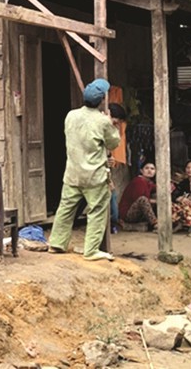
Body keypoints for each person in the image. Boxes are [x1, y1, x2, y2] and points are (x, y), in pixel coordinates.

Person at [48, 78, 121, 261]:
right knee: (96, 211)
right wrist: (110, 123)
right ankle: (91, 250)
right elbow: (114, 142)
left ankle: (56, 243)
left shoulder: (70, 116)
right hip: (94, 176)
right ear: (101, 101)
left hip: (73, 172)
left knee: (65, 209)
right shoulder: (102, 121)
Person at [107, 103, 128, 233]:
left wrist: (109, 159)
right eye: (117, 122)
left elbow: (109, 151)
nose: (117, 126)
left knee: (112, 197)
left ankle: (112, 223)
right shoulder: (103, 128)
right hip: (91, 173)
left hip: (104, 172)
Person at [118, 161, 157, 229]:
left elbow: (157, 188)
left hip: (139, 213)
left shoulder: (148, 182)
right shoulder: (139, 181)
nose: (149, 170)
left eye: (152, 169)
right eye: (147, 168)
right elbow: (138, 199)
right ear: (141, 171)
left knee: (158, 195)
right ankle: (155, 223)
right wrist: (155, 201)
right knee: (143, 200)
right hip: (128, 214)